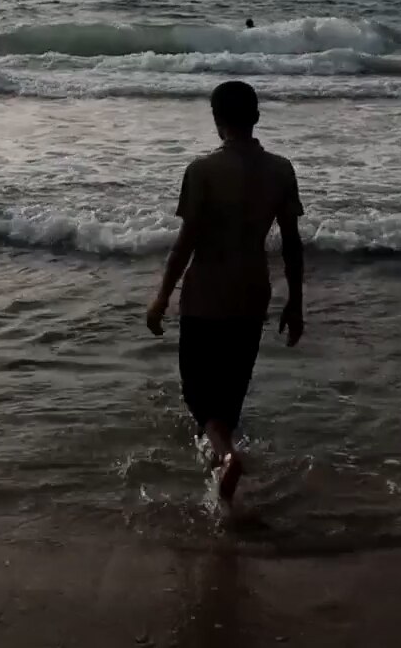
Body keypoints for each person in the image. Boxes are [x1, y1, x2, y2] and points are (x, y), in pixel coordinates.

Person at [145, 80, 303, 506]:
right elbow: (292, 244)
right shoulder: (281, 169)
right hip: (252, 293)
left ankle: (227, 457)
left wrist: (161, 297)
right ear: (256, 117)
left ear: (217, 119)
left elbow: (186, 244)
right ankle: (224, 491)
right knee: (230, 397)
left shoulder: (202, 171)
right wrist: (296, 303)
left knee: (199, 396)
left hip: (206, 294)